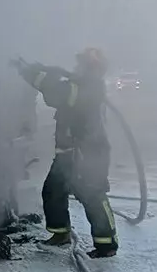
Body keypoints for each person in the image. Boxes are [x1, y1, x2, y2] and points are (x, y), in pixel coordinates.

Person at [11, 48, 118, 258]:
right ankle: (60, 235)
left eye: (82, 64)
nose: (77, 67)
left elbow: (56, 93)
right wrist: (38, 68)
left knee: (93, 195)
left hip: (87, 153)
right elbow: (60, 79)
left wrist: (29, 73)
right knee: (53, 192)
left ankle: (107, 244)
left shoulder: (89, 87)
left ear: (91, 67)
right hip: (68, 152)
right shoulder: (81, 82)